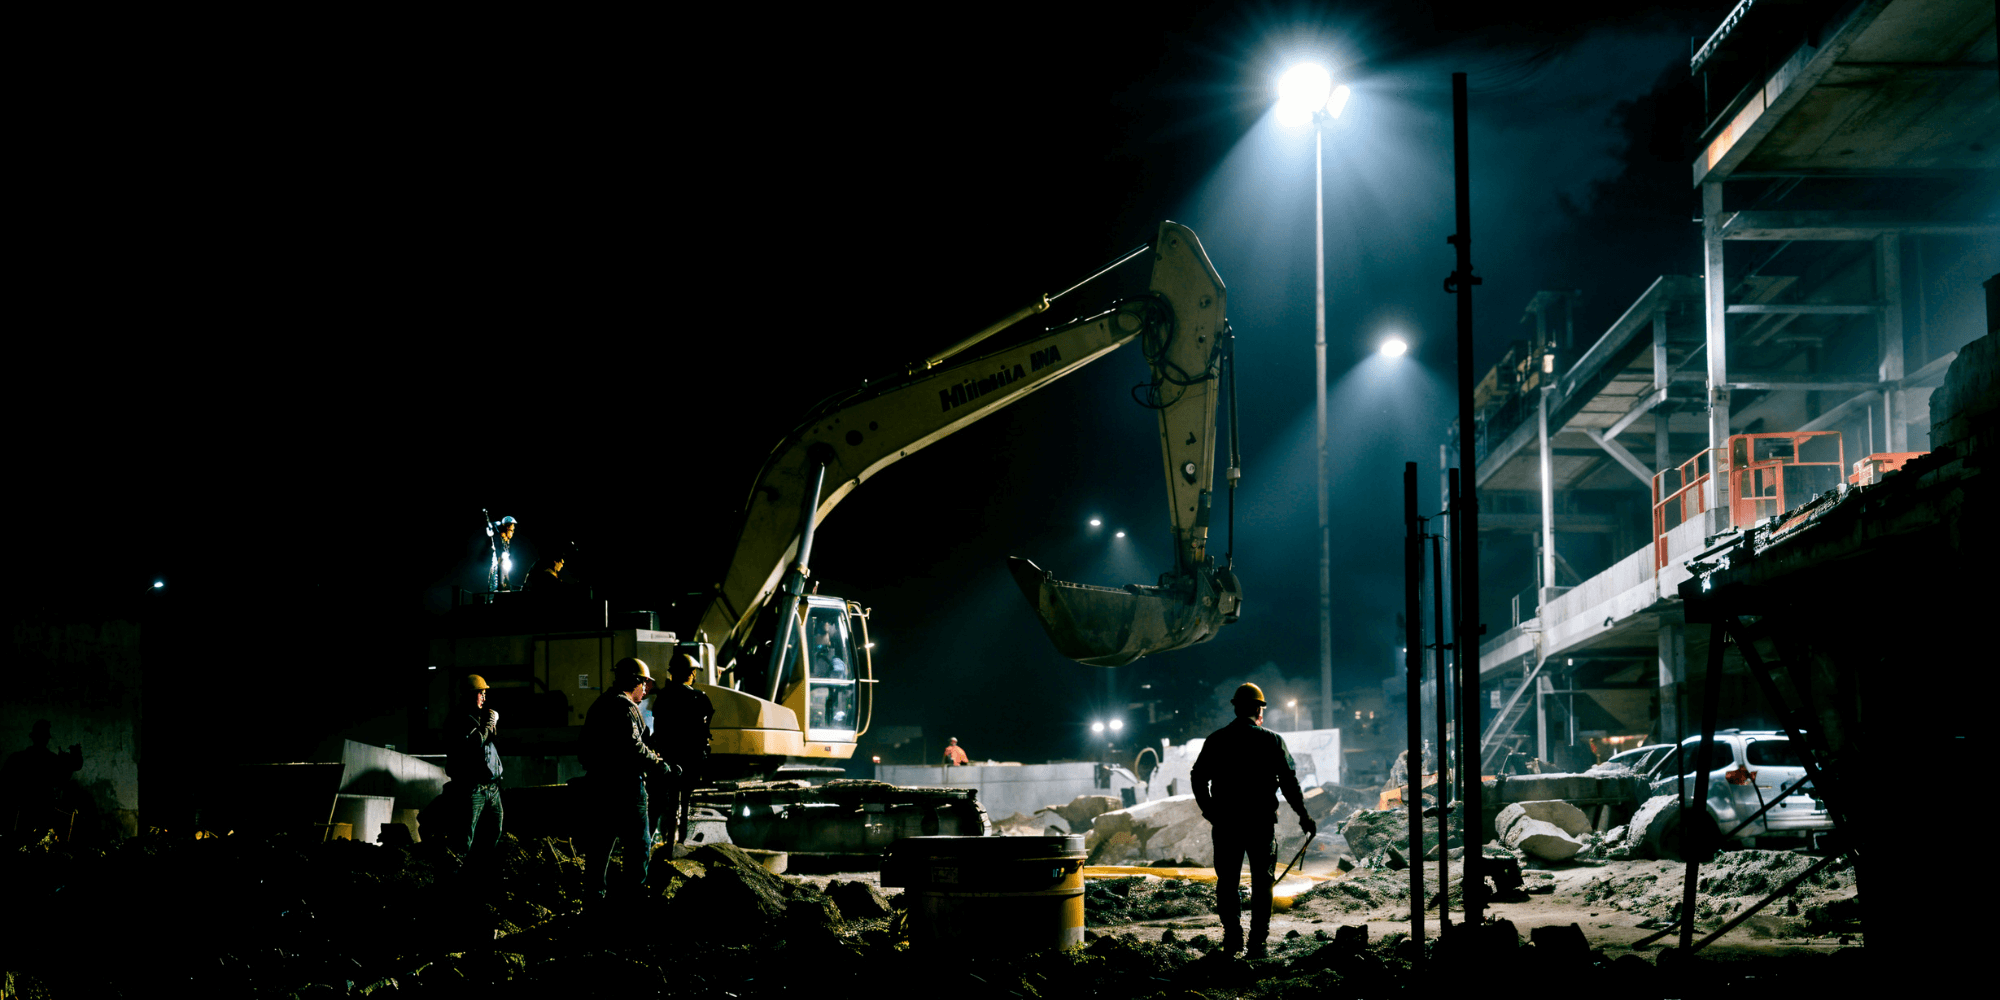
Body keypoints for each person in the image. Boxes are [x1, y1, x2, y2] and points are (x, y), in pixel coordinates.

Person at [1190, 682, 1316, 959]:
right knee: (1262, 884)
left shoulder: (1217, 739)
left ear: (1235, 707)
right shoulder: (1271, 740)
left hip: (1226, 825)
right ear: (1260, 709)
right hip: (1260, 825)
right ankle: (1257, 944)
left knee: (1227, 883)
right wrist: (1303, 816)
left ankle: (1232, 939)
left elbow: (1198, 777)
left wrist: (1210, 811)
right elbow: (1289, 783)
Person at [581, 657, 676, 905]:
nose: (645, 690)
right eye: (644, 684)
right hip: (627, 789)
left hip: (600, 787)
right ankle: (633, 902)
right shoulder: (624, 708)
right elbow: (635, 747)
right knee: (638, 847)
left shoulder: (599, 705)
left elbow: (584, 749)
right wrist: (659, 765)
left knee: (600, 848)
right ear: (634, 681)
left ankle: (594, 904)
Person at [646, 654, 714, 846]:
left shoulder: (662, 697)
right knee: (684, 804)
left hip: (665, 758)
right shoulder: (698, 697)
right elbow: (703, 733)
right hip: (688, 759)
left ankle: (656, 842)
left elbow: (658, 728)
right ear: (692, 673)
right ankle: (679, 842)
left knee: (659, 803)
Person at [444, 675, 505, 865]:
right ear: (471, 694)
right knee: (463, 840)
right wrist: (488, 724)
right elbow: (474, 744)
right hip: (471, 789)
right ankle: (453, 879)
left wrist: (491, 726)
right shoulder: (458, 719)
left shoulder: (479, 717)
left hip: (491, 789)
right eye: (481, 693)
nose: (484, 698)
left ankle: (478, 876)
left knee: (493, 834)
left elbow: (490, 744)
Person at [0, 720, 83, 840]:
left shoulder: (19, 758)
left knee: (26, 841)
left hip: (29, 810)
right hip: (39, 810)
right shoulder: (49, 760)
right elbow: (63, 779)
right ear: (46, 739)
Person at [487, 515, 518, 591]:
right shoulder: (499, 541)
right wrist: (501, 585)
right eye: (511, 530)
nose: (513, 532)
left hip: (503, 574)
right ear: (507, 528)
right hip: (497, 576)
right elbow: (500, 562)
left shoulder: (505, 542)